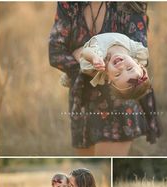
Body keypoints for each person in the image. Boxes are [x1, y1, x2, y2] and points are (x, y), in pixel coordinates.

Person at [49, 2, 160, 156]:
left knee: (108, 160)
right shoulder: (69, 4)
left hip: (118, 103)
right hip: (81, 101)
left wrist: (81, 55)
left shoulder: (128, 4)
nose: (121, 67)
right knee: (86, 162)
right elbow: (55, 53)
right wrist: (87, 62)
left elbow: (139, 59)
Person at [61, 31, 151, 99]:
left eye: (117, 74)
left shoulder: (101, 57)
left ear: (109, 79)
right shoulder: (135, 50)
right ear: (138, 64)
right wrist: (142, 73)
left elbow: (84, 52)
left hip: (83, 52)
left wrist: (93, 58)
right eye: (129, 68)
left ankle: (68, 77)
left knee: (83, 66)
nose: (121, 67)